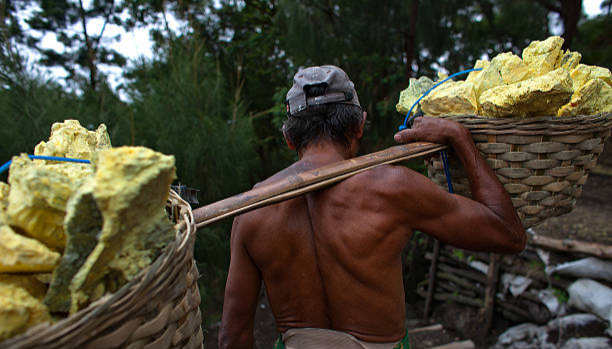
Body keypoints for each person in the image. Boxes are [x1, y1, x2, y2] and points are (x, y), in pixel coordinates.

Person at [218, 65, 526, 349]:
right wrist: (460, 138)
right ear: (359, 126)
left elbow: (233, 336)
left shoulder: (252, 210)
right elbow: (508, 233)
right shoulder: (393, 188)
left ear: (288, 138)